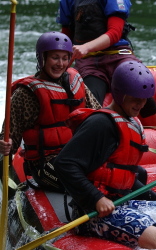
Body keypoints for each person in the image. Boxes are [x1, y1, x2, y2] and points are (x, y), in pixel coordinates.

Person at [54, 61, 156, 249]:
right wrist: (96, 198)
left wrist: (154, 197)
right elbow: (64, 163)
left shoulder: (130, 121)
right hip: (92, 212)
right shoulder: (100, 124)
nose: (141, 104)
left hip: (120, 201)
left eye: (144, 99)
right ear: (120, 94)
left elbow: (120, 174)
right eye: (135, 98)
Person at [0, 31, 101, 192]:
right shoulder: (25, 94)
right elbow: (8, 139)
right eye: (55, 57)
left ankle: (150, 199)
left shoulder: (76, 81)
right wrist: (5, 146)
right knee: (85, 183)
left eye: (64, 58)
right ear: (42, 58)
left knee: (116, 174)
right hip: (46, 164)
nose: (60, 63)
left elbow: (99, 116)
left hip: (78, 154)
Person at [57, 0, 142, 105]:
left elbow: (115, 33)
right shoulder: (67, 1)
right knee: (92, 100)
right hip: (89, 62)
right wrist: (61, 68)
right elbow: (67, 39)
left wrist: (86, 47)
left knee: (143, 90)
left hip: (118, 55)